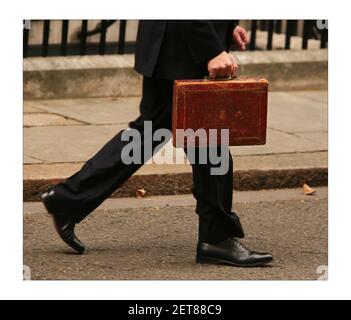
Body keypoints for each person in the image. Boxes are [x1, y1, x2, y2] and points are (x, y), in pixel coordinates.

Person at [41, 20, 273, 267]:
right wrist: (211, 49)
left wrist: (227, 26)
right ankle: (216, 238)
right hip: (183, 44)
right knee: (207, 139)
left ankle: (68, 200)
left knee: (153, 132)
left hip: (169, 43)